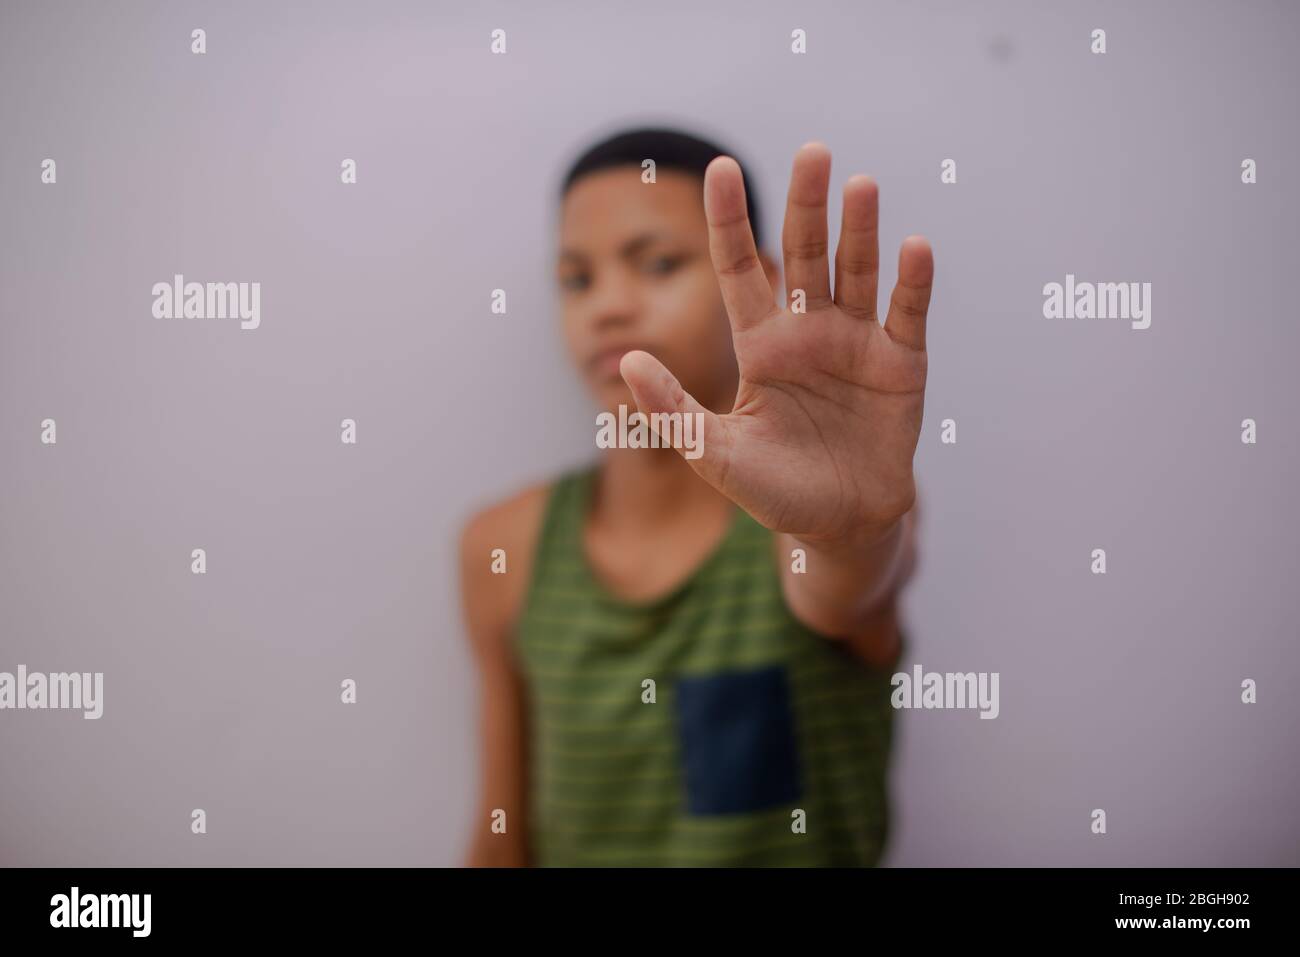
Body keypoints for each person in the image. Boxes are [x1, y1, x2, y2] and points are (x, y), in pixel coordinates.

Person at [460, 127, 932, 866]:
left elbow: (848, 585)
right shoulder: (504, 544)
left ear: (763, 283)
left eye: (657, 263)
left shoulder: (820, 517)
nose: (607, 306)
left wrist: (848, 530)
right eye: (577, 278)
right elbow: (500, 835)